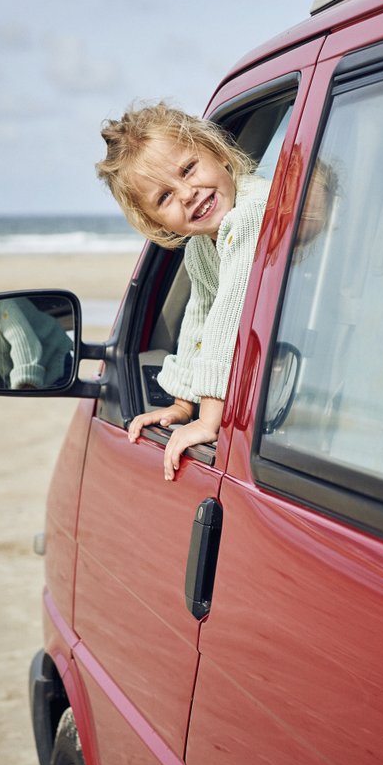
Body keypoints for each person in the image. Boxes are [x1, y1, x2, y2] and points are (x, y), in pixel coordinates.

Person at [96, 101, 270, 481]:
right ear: (156, 222)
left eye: (188, 169)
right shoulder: (199, 248)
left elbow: (228, 318)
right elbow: (200, 320)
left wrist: (208, 420)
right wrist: (181, 403)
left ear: (220, 153)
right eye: (164, 197)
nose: (187, 193)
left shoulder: (252, 213)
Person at [0, 295, 73, 390]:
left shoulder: (4, 305)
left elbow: (21, 343)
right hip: (44, 371)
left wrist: (23, 385)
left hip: (58, 360)